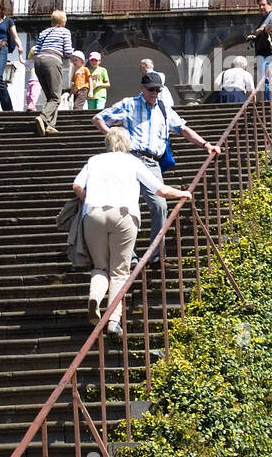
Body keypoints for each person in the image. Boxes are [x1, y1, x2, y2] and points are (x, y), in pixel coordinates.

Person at [72, 127, 193, 333]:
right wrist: (183, 193)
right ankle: (113, 321)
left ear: (108, 142)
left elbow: (76, 186)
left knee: (100, 267)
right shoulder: (133, 161)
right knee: (119, 271)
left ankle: (95, 297)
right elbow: (159, 190)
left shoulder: (94, 161)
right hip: (124, 215)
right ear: (127, 143)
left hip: (94, 214)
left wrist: (89, 203)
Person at [94, 71, 220, 261]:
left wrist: (206, 145)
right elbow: (98, 118)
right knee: (126, 206)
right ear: (142, 89)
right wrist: (114, 139)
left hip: (152, 162)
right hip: (130, 158)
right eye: (151, 89)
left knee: (160, 205)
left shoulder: (164, 108)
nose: (154, 93)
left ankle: (155, 255)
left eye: (158, 90)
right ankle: (129, 255)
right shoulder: (129, 104)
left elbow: (183, 129)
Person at [33, 10, 74, 135]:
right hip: (52, 60)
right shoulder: (64, 31)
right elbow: (67, 52)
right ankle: (43, 117)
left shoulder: (44, 32)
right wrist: (71, 51)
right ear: (63, 21)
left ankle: (50, 125)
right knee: (56, 97)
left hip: (38, 62)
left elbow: (36, 51)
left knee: (51, 97)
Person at [247, 0, 272, 100]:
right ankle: (268, 100)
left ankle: (270, 102)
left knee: (268, 78)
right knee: (264, 79)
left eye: (263, 5)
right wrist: (255, 36)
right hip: (262, 51)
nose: (261, 7)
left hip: (269, 52)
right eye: (259, 5)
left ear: (270, 5)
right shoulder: (264, 18)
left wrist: (263, 29)